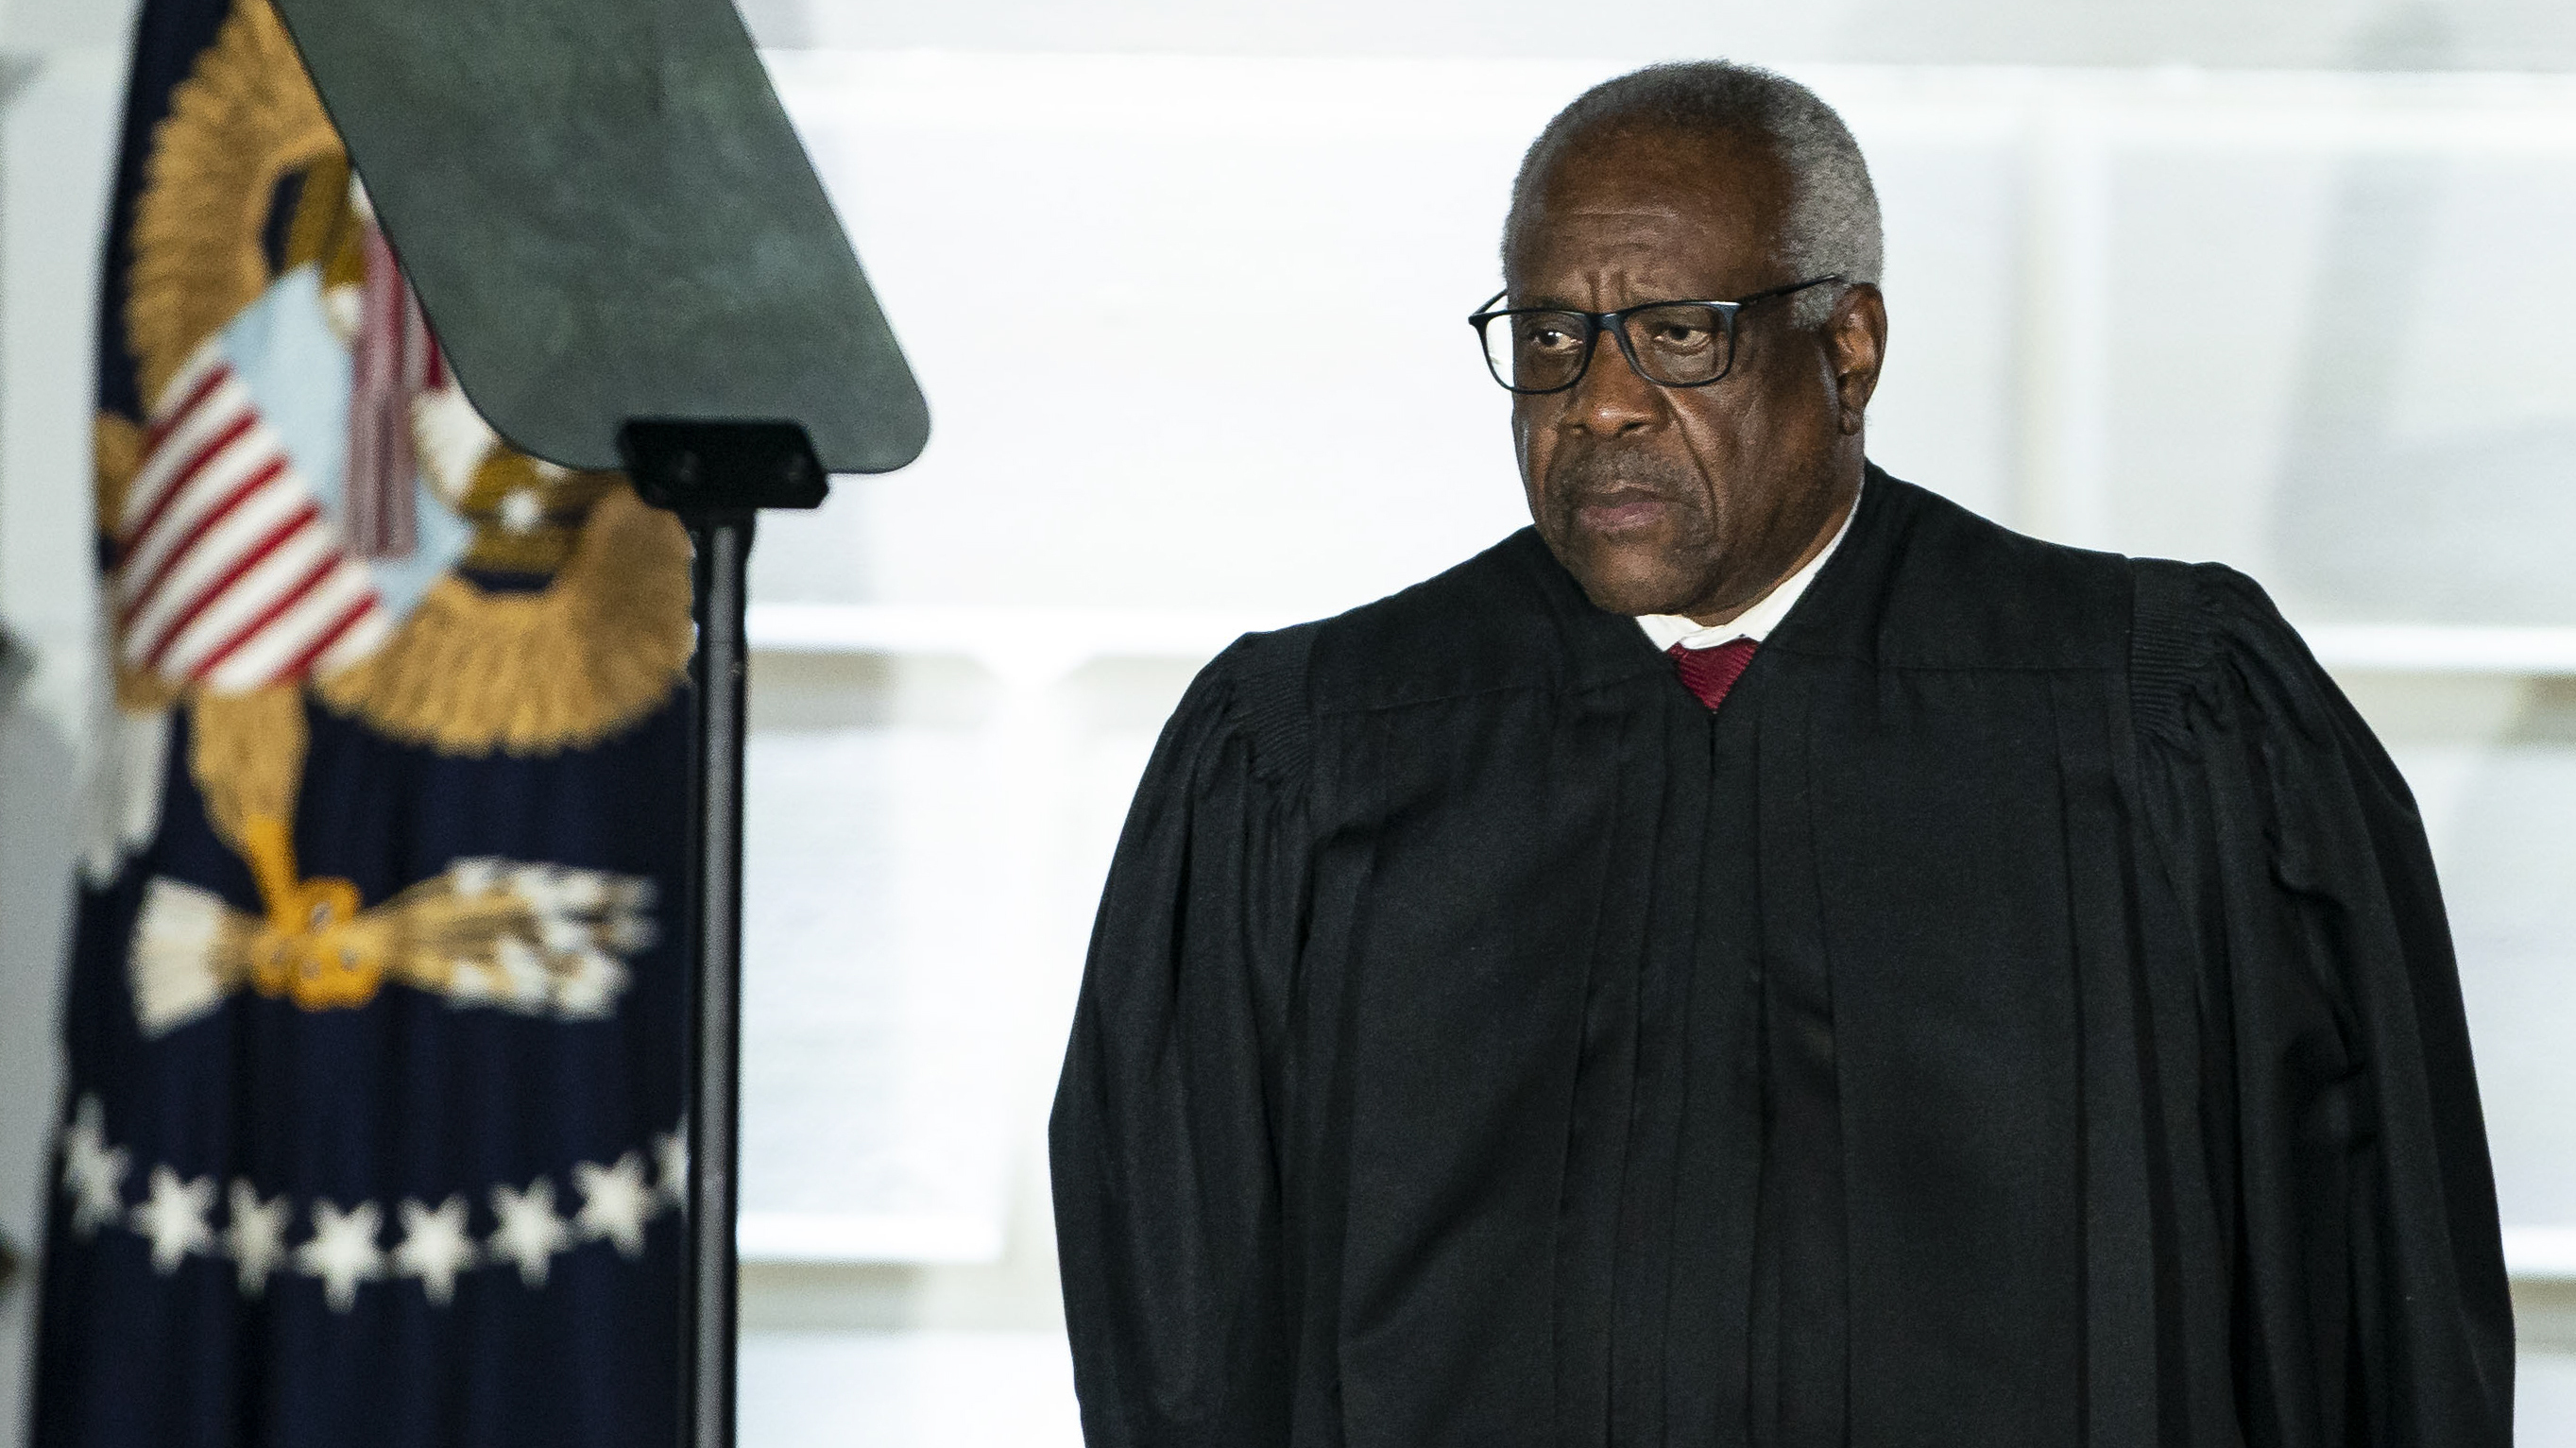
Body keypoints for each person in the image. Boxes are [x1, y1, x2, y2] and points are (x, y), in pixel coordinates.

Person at [1049, 60, 2513, 1448]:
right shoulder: (1305, 757)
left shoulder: (2165, 718)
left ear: (1850, 347)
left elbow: (2381, 1283)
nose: (1599, 401)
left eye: (1679, 332)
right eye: (1551, 336)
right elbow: (1177, 1344)